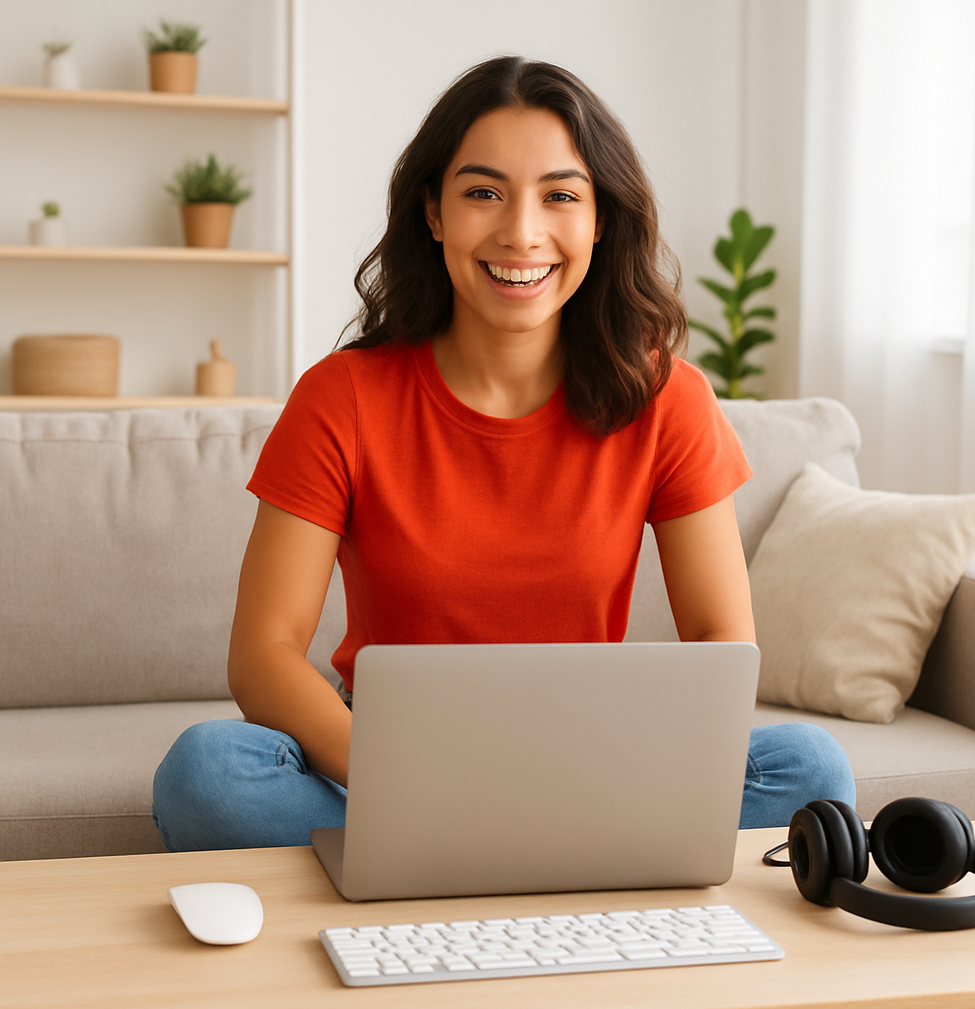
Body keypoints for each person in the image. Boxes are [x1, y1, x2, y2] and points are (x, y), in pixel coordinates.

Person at [152, 56, 855, 852]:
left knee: (809, 769)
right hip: (388, 766)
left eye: (560, 196)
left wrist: (611, 776)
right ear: (434, 212)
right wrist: (412, 782)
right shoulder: (341, 396)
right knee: (207, 772)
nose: (522, 232)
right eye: (484, 192)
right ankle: (544, 861)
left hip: (594, 767)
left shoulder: (667, 398)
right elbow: (263, 655)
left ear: (599, 221)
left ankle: (467, 864)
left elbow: (723, 644)